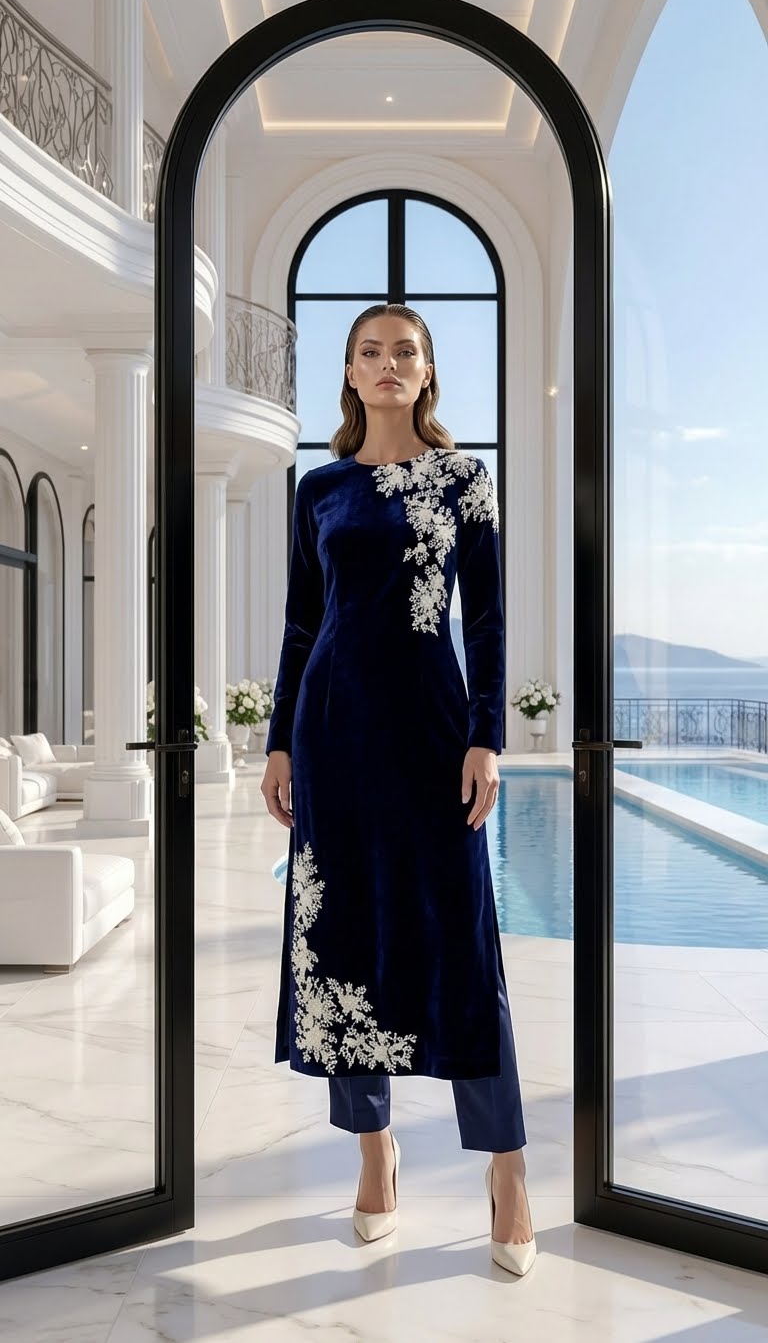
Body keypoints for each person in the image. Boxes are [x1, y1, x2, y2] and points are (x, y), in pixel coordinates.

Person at [260, 303, 535, 1275]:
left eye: (404, 352)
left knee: (463, 945)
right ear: (349, 372)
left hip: (431, 733)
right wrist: (279, 742)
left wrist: (486, 736)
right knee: (344, 940)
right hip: (332, 735)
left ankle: (507, 1168)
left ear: (426, 373)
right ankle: (374, 1154)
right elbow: (301, 625)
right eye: (370, 352)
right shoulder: (320, 488)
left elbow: (488, 621)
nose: (387, 364)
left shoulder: (464, 480)